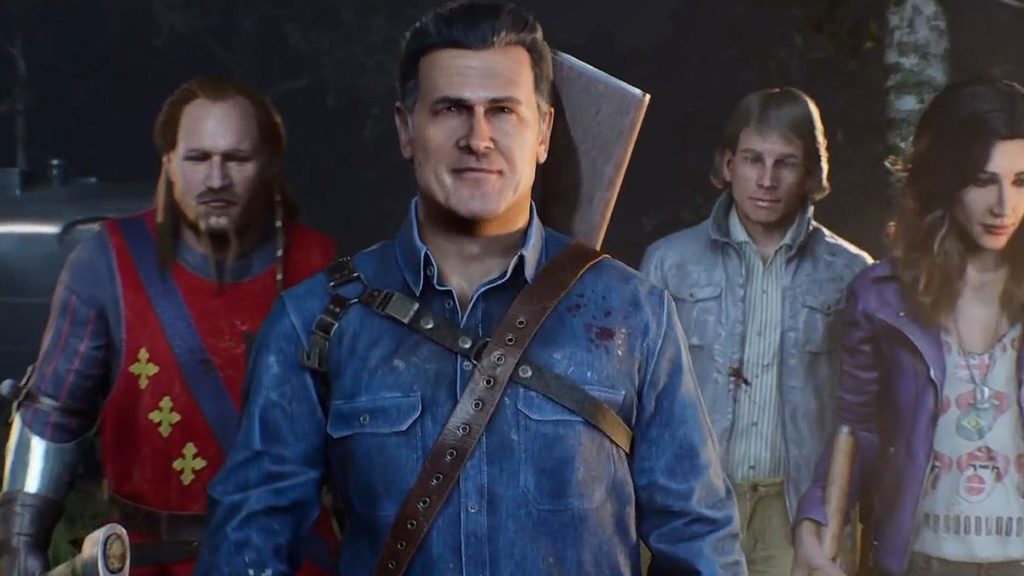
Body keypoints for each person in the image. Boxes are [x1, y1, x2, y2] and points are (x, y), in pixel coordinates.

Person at [195, 2, 745, 575]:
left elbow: (699, 541)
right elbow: (246, 545)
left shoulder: (633, 314)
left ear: (543, 132)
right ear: (406, 129)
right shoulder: (317, 320)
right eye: (451, 109)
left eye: (502, 110)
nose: (478, 138)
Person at [0, 76, 338, 576]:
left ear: (269, 165)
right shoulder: (107, 264)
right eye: (198, 158)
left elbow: (366, 440)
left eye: (237, 159)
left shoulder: (323, 269)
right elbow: (54, 412)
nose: (217, 178)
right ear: (169, 164)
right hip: (148, 562)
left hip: (288, 560)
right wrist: (20, 542)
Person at [792, 78, 1024, 576]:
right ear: (945, 181)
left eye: (1021, 181)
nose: (1004, 205)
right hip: (921, 560)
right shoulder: (881, 298)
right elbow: (856, 431)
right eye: (982, 180)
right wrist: (815, 519)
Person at [640, 87, 871, 575]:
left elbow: (863, 413)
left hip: (798, 513)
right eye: (753, 160)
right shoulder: (668, 263)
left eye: (785, 163)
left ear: (810, 173)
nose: (767, 180)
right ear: (728, 164)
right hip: (692, 504)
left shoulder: (850, 272)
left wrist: (834, 510)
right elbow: (639, 399)